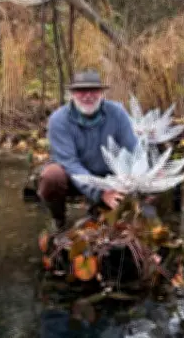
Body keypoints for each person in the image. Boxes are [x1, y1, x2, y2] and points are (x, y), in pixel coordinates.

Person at [38, 69, 139, 231]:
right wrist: (100, 192)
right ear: (72, 93)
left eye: (93, 90)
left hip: (110, 176)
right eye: (81, 91)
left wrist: (147, 170)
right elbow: (70, 164)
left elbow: (133, 149)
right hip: (73, 178)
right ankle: (59, 221)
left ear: (101, 93)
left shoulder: (117, 113)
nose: (88, 96)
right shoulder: (58, 120)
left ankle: (101, 213)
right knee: (51, 177)